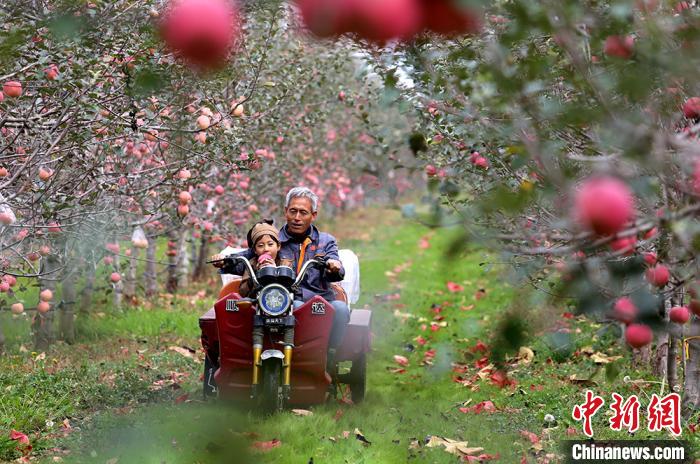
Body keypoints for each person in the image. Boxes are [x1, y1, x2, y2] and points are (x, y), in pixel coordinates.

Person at [216, 187, 350, 370]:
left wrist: (334, 265)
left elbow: (335, 263)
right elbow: (248, 256)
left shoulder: (325, 241)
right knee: (291, 307)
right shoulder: (272, 241)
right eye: (293, 211)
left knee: (341, 309)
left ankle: (329, 355)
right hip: (280, 300)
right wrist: (224, 262)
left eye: (303, 212)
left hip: (318, 300)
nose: (297, 217)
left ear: (314, 215)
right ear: (285, 211)